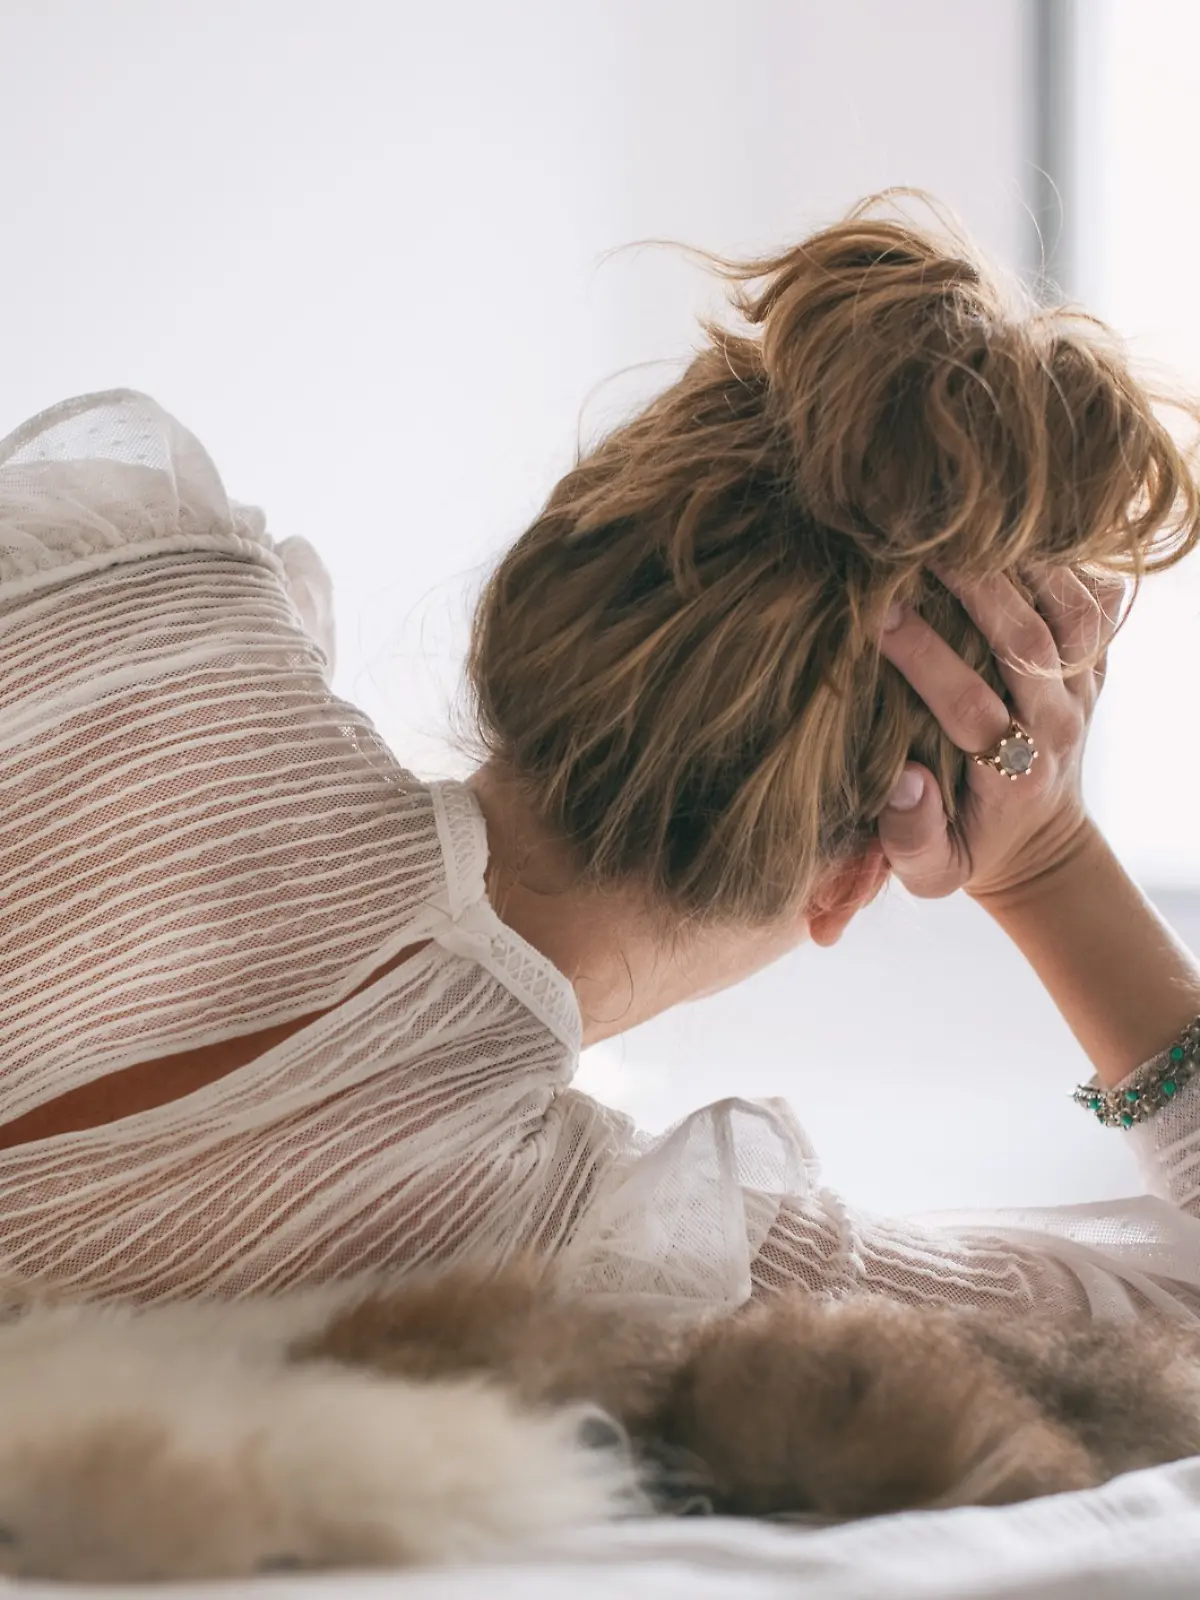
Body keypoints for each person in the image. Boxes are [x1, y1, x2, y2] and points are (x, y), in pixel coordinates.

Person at [3, 204, 1200, 1324]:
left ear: (544, 598)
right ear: (844, 881)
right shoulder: (597, 1246)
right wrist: (1048, 867)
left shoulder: (137, 613)